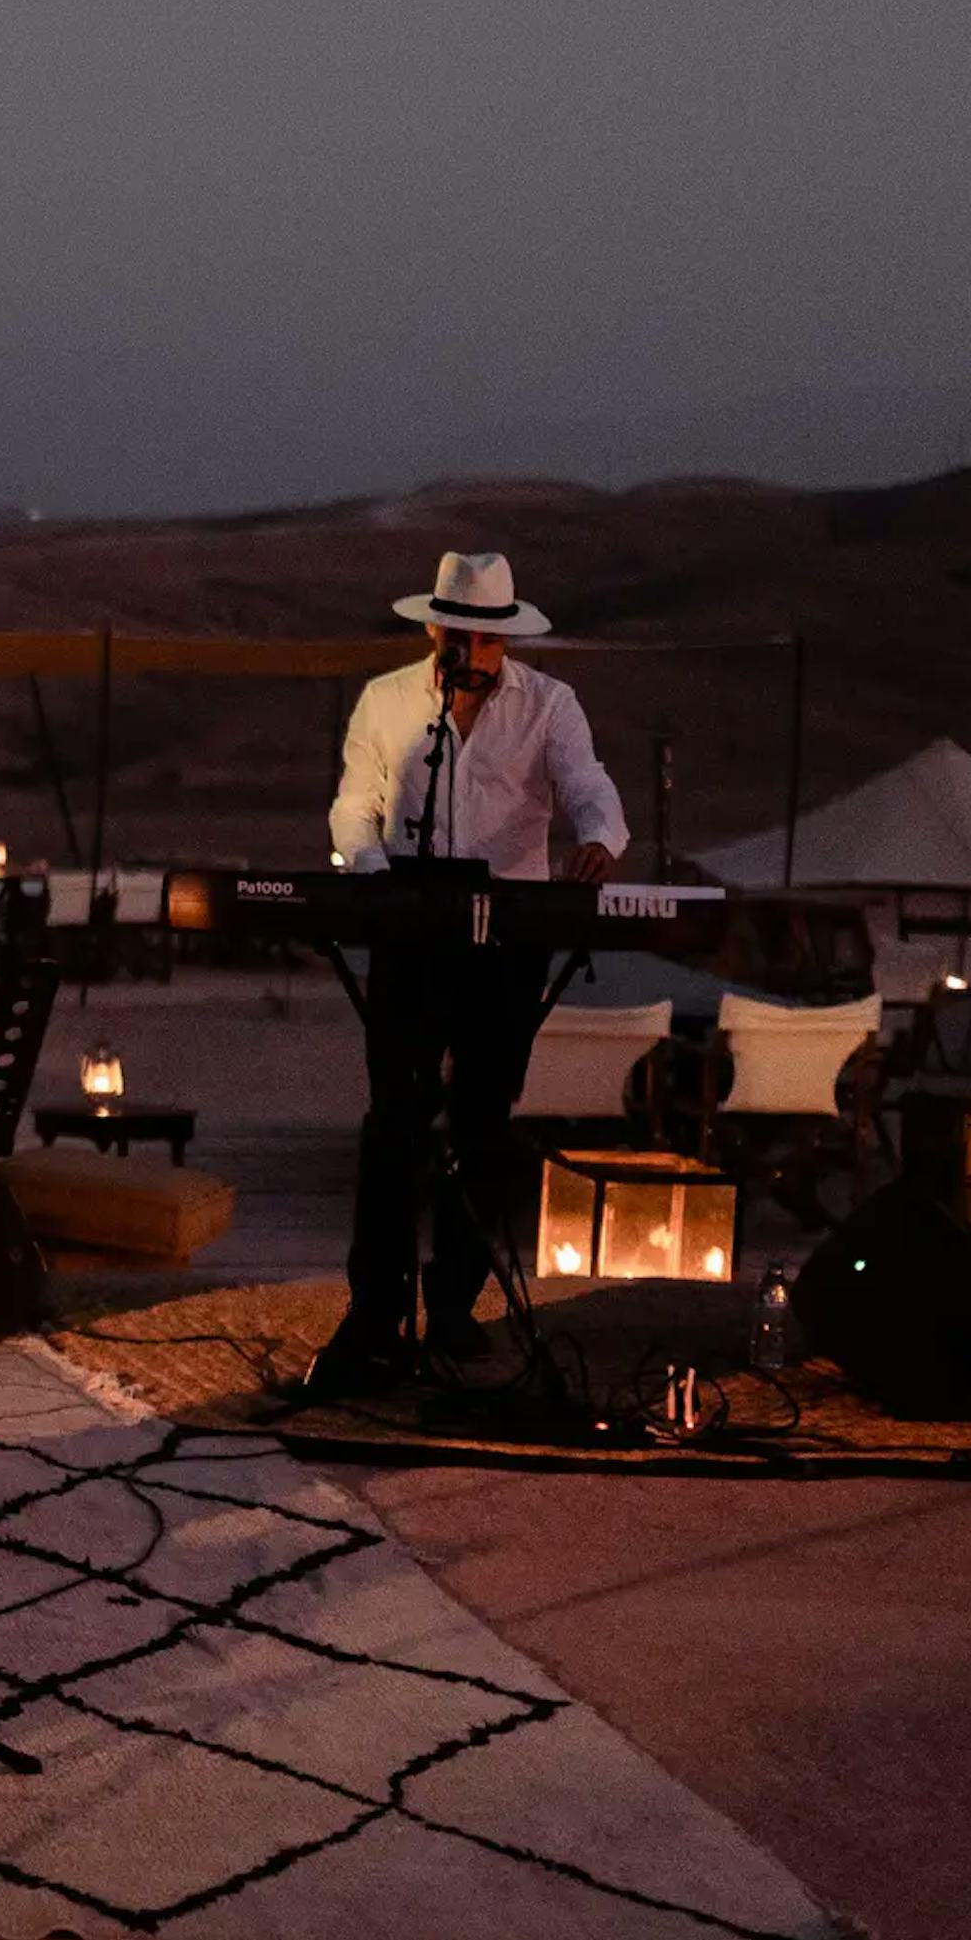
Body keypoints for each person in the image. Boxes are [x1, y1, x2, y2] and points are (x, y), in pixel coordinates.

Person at [315, 549, 627, 1393]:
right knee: (394, 1124)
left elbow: (586, 783)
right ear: (436, 629)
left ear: (506, 638)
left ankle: (455, 1304)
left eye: (490, 639)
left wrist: (600, 838)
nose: (476, 651)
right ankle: (377, 1309)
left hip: (506, 940)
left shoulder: (550, 704)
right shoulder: (387, 701)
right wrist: (370, 870)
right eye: (462, 634)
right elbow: (356, 800)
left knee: (484, 1120)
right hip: (411, 931)